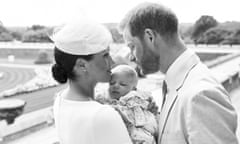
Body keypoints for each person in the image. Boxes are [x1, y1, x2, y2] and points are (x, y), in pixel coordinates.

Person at [119, 2, 238, 144]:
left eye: (132, 46)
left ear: (150, 37)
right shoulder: (176, 84)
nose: (131, 57)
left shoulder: (200, 95)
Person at [51, 21, 132, 144]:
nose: (112, 61)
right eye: (105, 55)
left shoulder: (60, 99)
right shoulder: (103, 115)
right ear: (82, 65)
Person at [95, 64, 158, 144]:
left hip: (137, 131)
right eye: (112, 83)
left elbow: (150, 119)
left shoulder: (136, 98)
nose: (116, 86)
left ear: (133, 89)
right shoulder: (104, 98)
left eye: (122, 84)